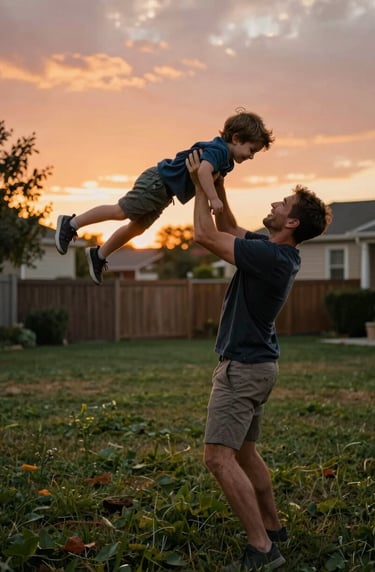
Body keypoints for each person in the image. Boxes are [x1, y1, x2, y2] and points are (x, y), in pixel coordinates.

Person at [186, 150, 332, 571]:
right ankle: (273, 526)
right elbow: (228, 226)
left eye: (282, 205)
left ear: (292, 223)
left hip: (243, 369)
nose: (273, 204)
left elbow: (204, 235)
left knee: (217, 457)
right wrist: (218, 185)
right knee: (246, 454)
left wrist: (198, 185)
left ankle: (263, 550)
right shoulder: (272, 250)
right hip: (259, 367)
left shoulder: (271, 258)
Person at [55, 110, 274, 285]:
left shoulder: (227, 162)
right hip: (158, 182)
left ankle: (99, 255)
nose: (252, 156)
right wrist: (213, 199)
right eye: (251, 149)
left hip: (165, 193)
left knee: (137, 228)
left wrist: (213, 194)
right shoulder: (219, 150)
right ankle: (71, 223)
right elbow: (204, 171)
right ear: (236, 138)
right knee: (121, 211)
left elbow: (211, 177)